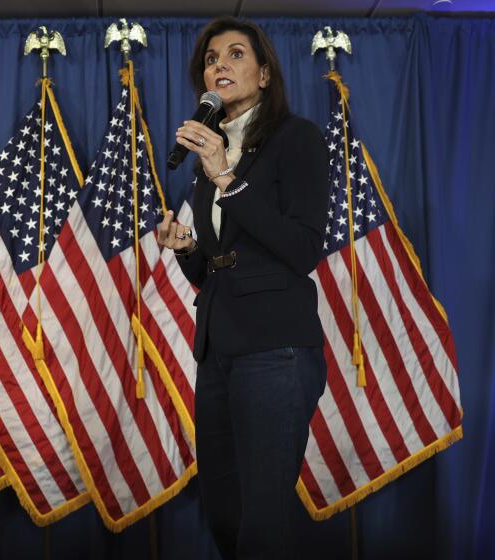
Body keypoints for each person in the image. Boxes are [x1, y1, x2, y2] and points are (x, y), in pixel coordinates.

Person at [156, 17, 330, 560]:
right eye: (211, 59)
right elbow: (220, 267)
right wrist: (186, 248)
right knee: (225, 512)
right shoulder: (214, 153)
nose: (220, 65)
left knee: (263, 518)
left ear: (263, 73)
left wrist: (227, 176)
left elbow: (301, 249)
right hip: (219, 349)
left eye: (235, 54)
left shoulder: (294, 138)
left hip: (275, 348)